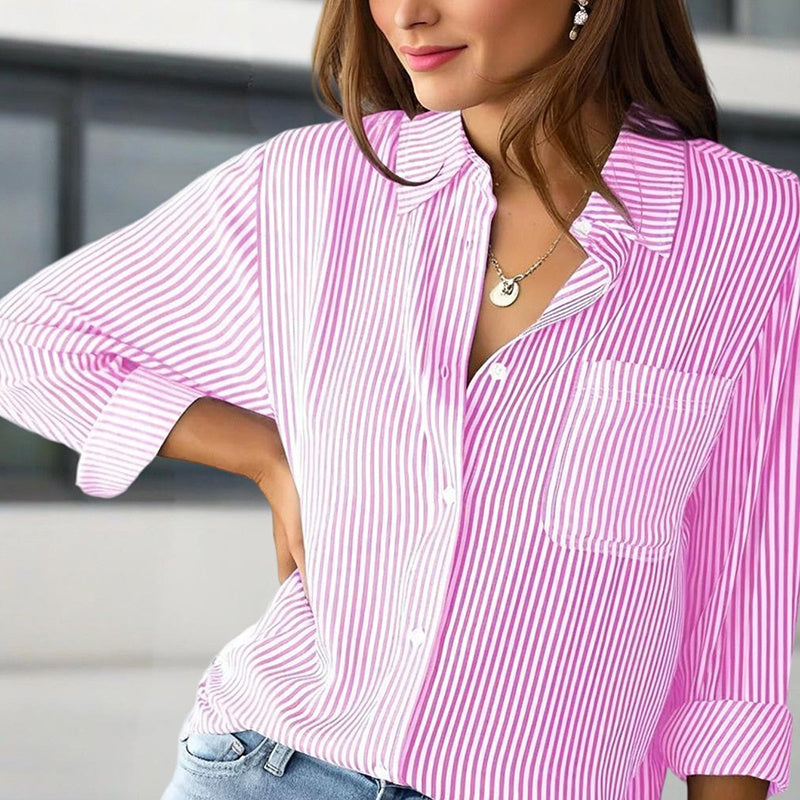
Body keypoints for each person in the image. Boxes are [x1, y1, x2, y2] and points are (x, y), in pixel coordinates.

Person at [0, 0, 798, 797]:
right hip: (270, 765)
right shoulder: (312, 189)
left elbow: (741, 601)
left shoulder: (755, 233)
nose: (409, 15)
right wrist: (268, 457)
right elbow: (31, 345)